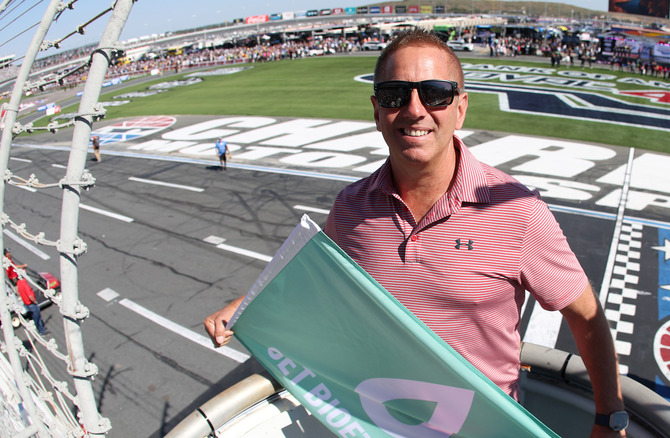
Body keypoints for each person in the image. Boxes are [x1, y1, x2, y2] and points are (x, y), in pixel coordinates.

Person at [205, 29, 627, 437]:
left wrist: (610, 418)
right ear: (376, 110)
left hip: (483, 430)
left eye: (435, 93)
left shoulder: (518, 212)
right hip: (374, 421)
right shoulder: (351, 206)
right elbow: (313, 277)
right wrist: (243, 306)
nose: (414, 109)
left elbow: (585, 316)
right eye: (394, 94)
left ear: (461, 108)